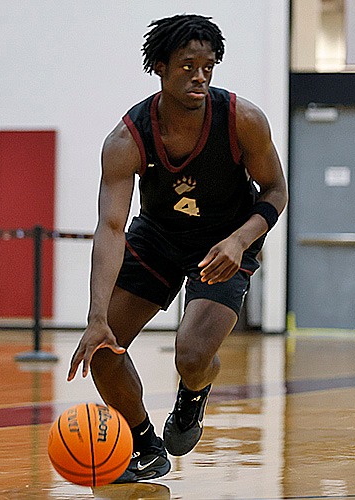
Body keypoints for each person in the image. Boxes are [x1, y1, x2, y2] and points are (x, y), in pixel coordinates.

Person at [66, 14, 287, 484]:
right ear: (160, 67)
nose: (200, 76)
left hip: (226, 240)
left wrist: (240, 240)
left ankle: (193, 394)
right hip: (159, 237)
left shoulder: (243, 120)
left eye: (208, 67)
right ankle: (144, 444)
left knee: (191, 355)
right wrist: (95, 315)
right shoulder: (127, 138)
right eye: (188, 66)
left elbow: (275, 191)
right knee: (103, 347)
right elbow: (111, 228)